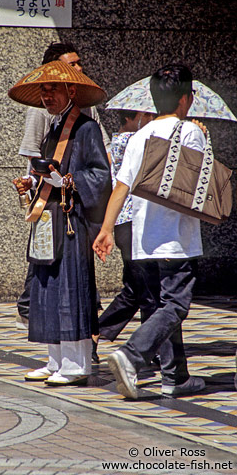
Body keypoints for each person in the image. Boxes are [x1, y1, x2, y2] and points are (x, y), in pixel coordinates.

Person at [93, 63, 206, 399]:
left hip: (143, 237)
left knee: (161, 307)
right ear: (186, 99)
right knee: (176, 306)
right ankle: (132, 354)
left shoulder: (140, 135)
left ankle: (175, 377)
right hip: (176, 238)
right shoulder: (190, 132)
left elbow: (121, 187)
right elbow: (198, 182)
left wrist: (107, 228)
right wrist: (203, 136)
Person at [11, 60, 111, 386]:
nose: (47, 96)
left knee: (70, 289)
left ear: (71, 90)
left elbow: (100, 175)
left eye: (52, 89)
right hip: (48, 220)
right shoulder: (53, 129)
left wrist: (68, 181)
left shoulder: (87, 128)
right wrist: (32, 184)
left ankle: (76, 363)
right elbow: (46, 174)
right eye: (43, 90)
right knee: (47, 290)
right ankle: (54, 359)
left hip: (71, 221)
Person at [92, 110, 158, 361]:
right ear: (133, 117)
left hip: (129, 224)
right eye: (147, 115)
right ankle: (147, 348)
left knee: (137, 289)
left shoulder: (130, 139)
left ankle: (96, 335)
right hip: (130, 223)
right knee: (147, 289)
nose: (151, 119)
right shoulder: (129, 140)